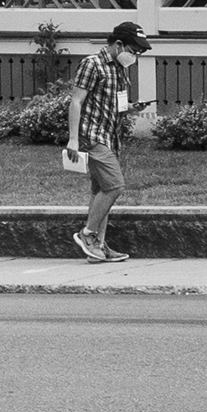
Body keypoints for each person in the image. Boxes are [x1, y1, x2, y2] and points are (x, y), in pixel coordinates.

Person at [69, 20, 149, 263]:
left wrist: (133, 108)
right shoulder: (92, 64)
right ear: (118, 44)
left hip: (110, 135)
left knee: (101, 190)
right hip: (91, 134)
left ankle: (98, 248)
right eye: (133, 51)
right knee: (114, 185)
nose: (135, 56)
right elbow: (76, 101)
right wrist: (73, 139)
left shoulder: (120, 69)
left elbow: (117, 107)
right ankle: (87, 235)